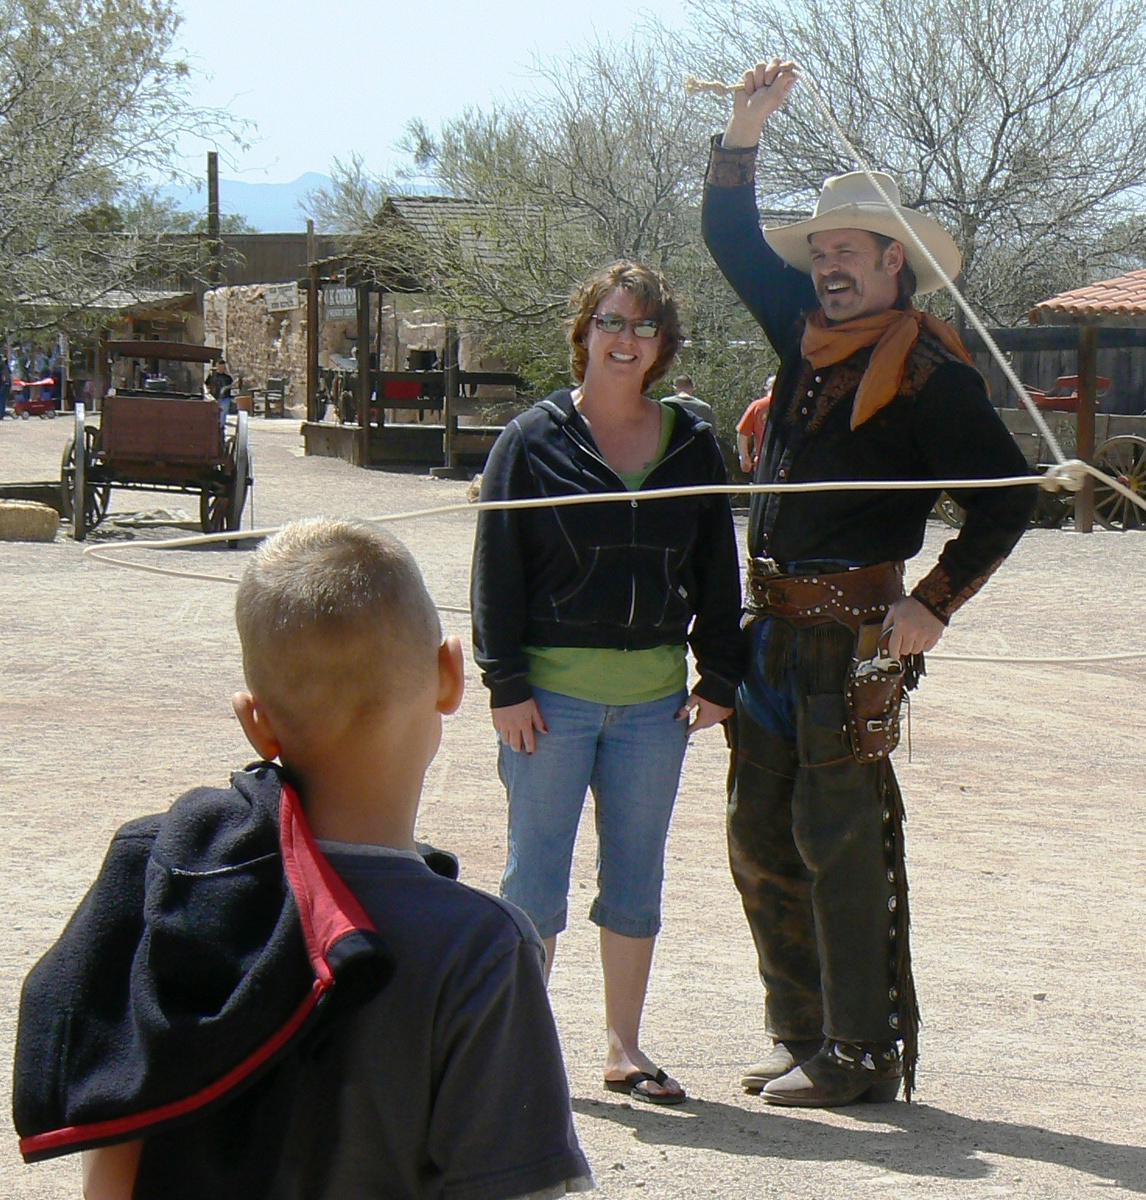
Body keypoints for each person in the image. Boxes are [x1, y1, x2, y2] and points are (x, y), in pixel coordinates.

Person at [14, 518, 593, 1200]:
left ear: (255, 722)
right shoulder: (484, 948)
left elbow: (115, 1160)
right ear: (450, 674)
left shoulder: (166, 880)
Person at [702, 59, 1036, 1107]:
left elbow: (1009, 499)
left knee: (840, 842)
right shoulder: (801, 334)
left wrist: (931, 602)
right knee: (759, 835)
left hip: (851, 637)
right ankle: (801, 1032)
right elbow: (727, 240)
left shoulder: (933, 377)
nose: (829, 267)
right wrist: (743, 133)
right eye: (821, 252)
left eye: (846, 251)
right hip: (769, 629)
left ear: (895, 260)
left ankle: (860, 1049)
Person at [472, 261, 744, 1105]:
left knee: (635, 878)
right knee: (534, 880)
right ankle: (517, 1056)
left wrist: (720, 673)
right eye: (612, 322)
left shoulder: (693, 444)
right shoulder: (531, 440)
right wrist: (505, 683)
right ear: (584, 331)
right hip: (547, 704)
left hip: (655, 706)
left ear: (663, 345)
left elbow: (717, 570)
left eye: (644, 326)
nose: (626, 340)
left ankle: (625, 1049)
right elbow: (496, 569)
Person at [735, 375, 774, 474]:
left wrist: (744, 457)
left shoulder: (757, 406)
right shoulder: (791, 406)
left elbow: (742, 434)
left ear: (767, 388)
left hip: (763, 464)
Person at [206, 358, 234, 425]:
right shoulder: (212, 376)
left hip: (225, 398)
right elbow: (207, 385)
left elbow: (233, 385)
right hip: (215, 398)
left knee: (223, 413)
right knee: (214, 414)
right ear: (217, 367)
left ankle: (221, 426)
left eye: (223, 367)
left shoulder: (228, 377)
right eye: (220, 367)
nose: (222, 369)